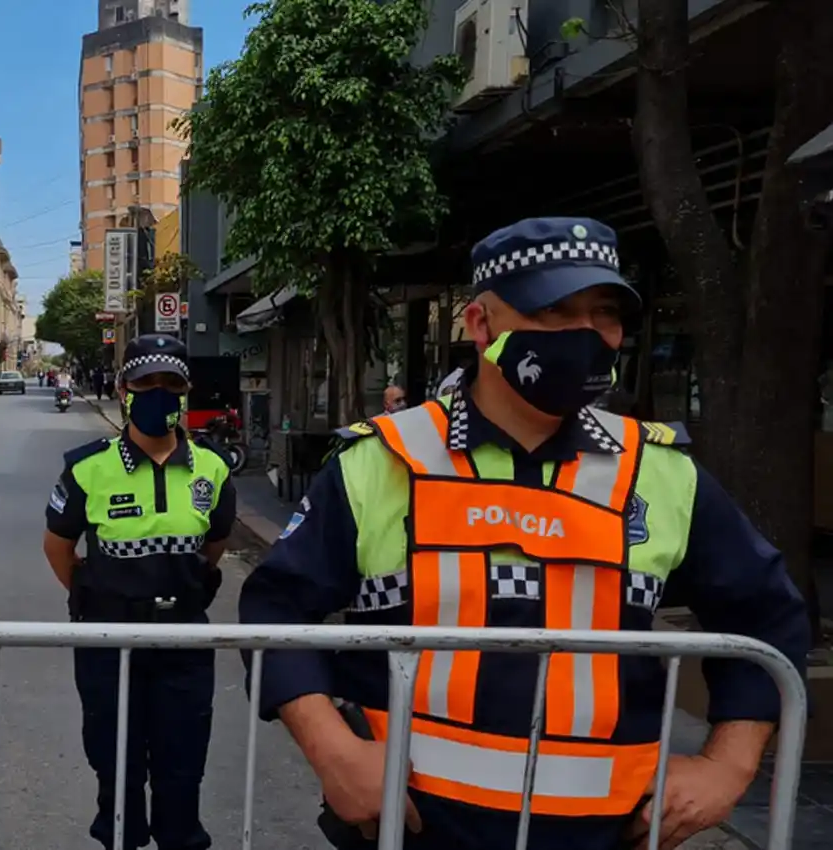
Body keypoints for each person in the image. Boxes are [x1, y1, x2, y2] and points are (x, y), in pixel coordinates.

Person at [238, 217, 810, 850]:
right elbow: (274, 611)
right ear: (481, 326)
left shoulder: (660, 473)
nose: (587, 335)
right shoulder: (384, 461)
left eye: (605, 313)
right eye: (556, 312)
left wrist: (728, 765)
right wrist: (335, 753)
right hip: (409, 832)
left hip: (604, 834)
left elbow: (767, 616)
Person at [44, 333, 238, 850]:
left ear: (185, 392)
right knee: (116, 767)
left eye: (170, 384)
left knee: (182, 768)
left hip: (185, 644)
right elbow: (58, 546)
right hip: (110, 641)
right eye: (145, 382)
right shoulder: (88, 466)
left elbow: (214, 545)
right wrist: (106, 594)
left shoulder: (213, 469)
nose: (158, 394)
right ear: (123, 388)